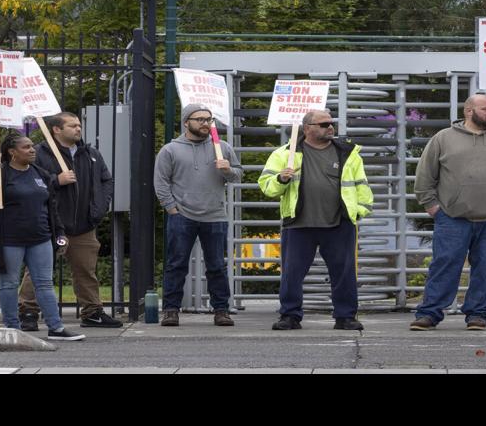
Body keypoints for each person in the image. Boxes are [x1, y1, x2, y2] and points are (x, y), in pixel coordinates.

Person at [409, 95, 486, 331]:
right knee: (445, 264)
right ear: (468, 111)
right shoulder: (443, 139)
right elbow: (425, 175)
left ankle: (477, 314)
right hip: (453, 217)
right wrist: (432, 206)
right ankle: (430, 313)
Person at [258, 109, 374, 331]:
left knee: (344, 273)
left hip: (339, 223)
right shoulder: (285, 153)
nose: (330, 127)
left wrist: (359, 211)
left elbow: (361, 185)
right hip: (299, 224)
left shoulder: (348, 153)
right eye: (323, 124)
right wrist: (281, 179)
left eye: (331, 123)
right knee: (292, 273)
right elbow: (266, 186)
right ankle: (290, 316)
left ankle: (345, 316)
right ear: (307, 128)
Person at [0, 132, 83, 341]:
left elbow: (51, 206)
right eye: (26, 147)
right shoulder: (1, 174)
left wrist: (59, 233)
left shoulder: (40, 173)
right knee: (9, 284)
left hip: (41, 238)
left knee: (44, 283)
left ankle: (56, 327)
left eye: (32, 146)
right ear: (12, 152)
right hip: (10, 240)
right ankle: (12, 327)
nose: (32, 150)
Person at [19, 112, 117, 330]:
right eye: (72, 125)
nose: (78, 129)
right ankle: (28, 312)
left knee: (86, 270)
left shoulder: (90, 154)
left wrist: (98, 208)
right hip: (51, 225)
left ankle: (92, 312)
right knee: (37, 270)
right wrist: (56, 180)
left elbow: (106, 180)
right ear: (56, 129)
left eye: (79, 125)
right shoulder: (39, 154)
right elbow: (28, 182)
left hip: (83, 225)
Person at [154, 102, 238, 326]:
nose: (205, 123)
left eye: (208, 119)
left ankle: (221, 310)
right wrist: (172, 209)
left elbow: (238, 176)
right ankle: (171, 310)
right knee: (176, 264)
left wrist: (228, 170)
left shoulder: (223, 147)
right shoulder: (170, 150)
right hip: (182, 216)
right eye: (199, 119)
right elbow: (161, 182)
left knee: (217, 266)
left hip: (215, 216)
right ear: (186, 122)